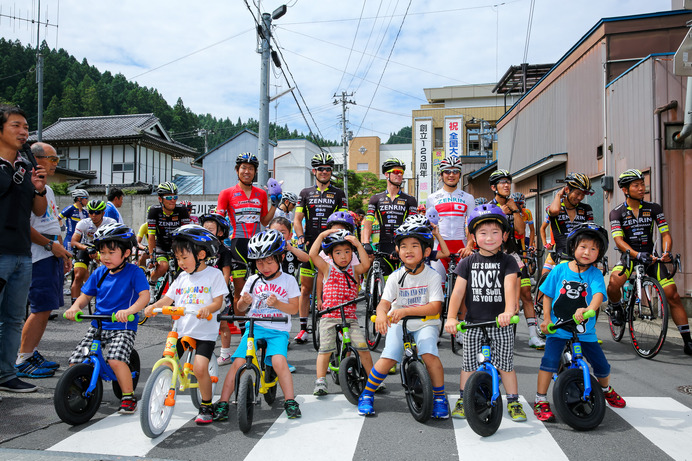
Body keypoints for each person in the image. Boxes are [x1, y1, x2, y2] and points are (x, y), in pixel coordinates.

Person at [533, 223, 626, 421]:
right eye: (583, 246)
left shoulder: (594, 274)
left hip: (585, 331)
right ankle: (540, 399)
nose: (587, 252)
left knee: (602, 366)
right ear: (573, 247)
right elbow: (548, 295)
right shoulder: (559, 270)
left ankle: (606, 388)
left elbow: (599, 294)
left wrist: (590, 309)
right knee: (549, 362)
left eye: (593, 249)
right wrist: (547, 319)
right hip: (558, 328)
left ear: (599, 253)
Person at [444, 204, 527, 422]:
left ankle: (514, 401)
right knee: (468, 364)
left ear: (504, 235)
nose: (489, 238)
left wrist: (509, 311)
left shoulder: (508, 261)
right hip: (472, 323)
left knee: (505, 364)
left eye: (495, 232)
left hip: (501, 323)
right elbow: (458, 292)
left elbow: (510, 288)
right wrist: (451, 317)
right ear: (473, 236)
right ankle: (463, 398)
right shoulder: (467, 262)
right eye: (482, 233)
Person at [357, 221, 448, 418]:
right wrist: (381, 314)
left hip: (426, 322)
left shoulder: (431, 276)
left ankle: (440, 398)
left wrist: (405, 312)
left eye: (415, 246)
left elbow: (436, 307)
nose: (408, 250)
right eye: (403, 246)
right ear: (397, 250)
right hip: (399, 323)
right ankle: (367, 394)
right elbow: (384, 303)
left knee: (430, 354)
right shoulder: (394, 277)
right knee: (388, 357)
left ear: (426, 251)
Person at [214, 229, 302, 420]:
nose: (264, 266)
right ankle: (222, 402)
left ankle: (289, 400)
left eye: (269, 261)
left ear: (280, 257)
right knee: (238, 363)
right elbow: (240, 307)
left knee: (279, 361)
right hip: (255, 327)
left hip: (278, 330)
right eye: (259, 262)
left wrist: (278, 304)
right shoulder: (253, 280)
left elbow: (294, 309)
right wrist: (244, 301)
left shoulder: (288, 280)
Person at [145, 224, 227, 424]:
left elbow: (220, 301)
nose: (180, 262)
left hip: (204, 333)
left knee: (200, 369)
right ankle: (158, 395)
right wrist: (153, 306)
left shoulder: (213, 275)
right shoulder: (181, 278)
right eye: (177, 258)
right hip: (181, 330)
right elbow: (168, 299)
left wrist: (209, 308)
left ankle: (206, 405)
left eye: (184, 257)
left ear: (200, 254)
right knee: (166, 361)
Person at [64, 223, 149, 413]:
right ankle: (80, 392)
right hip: (98, 325)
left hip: (123, 325)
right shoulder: (99, 273)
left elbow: (145, 297)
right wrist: (75, 307)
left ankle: (128, 396)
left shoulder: (135, 272)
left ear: (126, 253)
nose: (105, 257)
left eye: (111, 252)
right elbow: (85, 296)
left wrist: (129, 311)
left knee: (115, 359)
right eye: (102, 253)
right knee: (75, 361)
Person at [606, 169, 692, 355]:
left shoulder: (654, 208)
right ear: (625, 189)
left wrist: (667, 252)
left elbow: (665, 234)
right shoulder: (617, 213)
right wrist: (636, 254)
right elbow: (619, 241)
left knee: (673, 294)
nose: (641, 188)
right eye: (636, 185)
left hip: (652, 258)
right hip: (630, 256)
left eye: (642, 184)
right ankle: (616, 306)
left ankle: (687, 341)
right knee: (613, 283)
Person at [0, 105, 48, 394]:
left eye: (26, 127)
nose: (23, 131)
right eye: (16, 125)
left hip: (22, 252)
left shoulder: (25, 166)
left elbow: (38, 211)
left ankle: (6, 374)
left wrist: (39, 187)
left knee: (15, 318)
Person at [16, 143, 73, 379]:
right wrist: (51, 246)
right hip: (39, 254)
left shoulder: (46, 190)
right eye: (53, 159)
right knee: (39, 308)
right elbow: (24, 227)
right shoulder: (27, 186)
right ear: (37, 160)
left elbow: (52, 223)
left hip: (53, 253)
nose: (55, 164)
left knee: (47, 307)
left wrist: (62, 252)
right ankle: (23, 358)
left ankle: (31, 352)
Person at [216, 153, 277, 334]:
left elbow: (265, 222)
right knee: (241, 289)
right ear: (237, 170)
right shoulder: (227, 193)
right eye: (243, 168)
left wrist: (274, 205)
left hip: (258, 244)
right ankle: (244, 331)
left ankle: (264, 326)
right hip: (238, 244)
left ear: (255, 172)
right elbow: (219, 219)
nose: (247, 171)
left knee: (263, 287)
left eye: (251, 168)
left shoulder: (261, 194)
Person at [293, 152, 348, 344]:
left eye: (328, 169)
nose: (324, 172)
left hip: (331, 246)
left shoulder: (339, 194)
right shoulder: (305, 193)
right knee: (305, 289)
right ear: (314, 171)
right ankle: (302, 329)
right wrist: (300, 237)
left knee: (332, 288)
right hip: (310, 244)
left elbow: (344, 220)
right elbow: (297, 219)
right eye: (321, 169)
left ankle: (336, 325)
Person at [310, 229, 372, 396]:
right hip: (330, 317)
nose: (343, 256)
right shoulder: (327, 268)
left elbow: (366, 265)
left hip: (350, 318)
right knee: (325, 349)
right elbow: (312, 255)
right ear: (330, 256)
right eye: (338, 252)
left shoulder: (354, 270)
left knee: (362, 347)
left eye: (347, 251)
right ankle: (321, 381)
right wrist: (321, 235)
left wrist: (359, 244)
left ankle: (374, 379)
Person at [488, 169, 544, 349]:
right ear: (493, 187)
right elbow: (488, 233)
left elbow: (520, 231)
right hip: (492, 257)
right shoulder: (489, 207)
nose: (506, 185)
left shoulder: (515, 206)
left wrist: (515, 211)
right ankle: (492, 333)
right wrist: (500, 213)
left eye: (508, 182)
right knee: (495, 297)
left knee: (526, 294)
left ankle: (533, 335)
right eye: (502, 182)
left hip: (513, 256)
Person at [361, 158, 418, 278]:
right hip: (383, 245)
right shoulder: (375, 199)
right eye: (396, 171)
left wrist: (400, 247)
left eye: (401, 172)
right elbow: (368, 222)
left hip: (403, 244)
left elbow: (412, 226)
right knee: (385, 286)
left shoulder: (410, 200)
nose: (399, 175)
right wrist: (366, 242)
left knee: (403, 283)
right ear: (387, 174)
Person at [426, 155, 476, 281]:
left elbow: (471, 224)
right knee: (438, 287)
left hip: (461, 246)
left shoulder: (468, 198)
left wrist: (470, 245)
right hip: (439, 246)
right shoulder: (432, 198)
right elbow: (429, 226)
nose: (451, 175)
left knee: (463, 287)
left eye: (455, 171)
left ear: (460, 175)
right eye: (447, 171)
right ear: (442, 175)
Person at [198, 211, 235, 366]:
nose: (207, 231)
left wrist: (220, 292)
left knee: (223, 323)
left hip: (220, 295)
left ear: (220, 232)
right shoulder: (199, 251)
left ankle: (225, 354)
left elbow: (226, 274)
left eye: (211, 229)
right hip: (202, 294)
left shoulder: (224, 251)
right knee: (202, 321)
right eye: (205, 228)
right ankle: (202, 352)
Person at [147, 182, 191, 297]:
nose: (173, 200)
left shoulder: (182, 210)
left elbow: (186, 233)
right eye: (169, 197)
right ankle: (152, 284)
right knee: (163, 266)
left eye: (175, 197)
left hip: (177, 245)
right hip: (161, 244)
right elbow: (151, 236)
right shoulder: (154, 211)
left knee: (183, 270)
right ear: (160, 199)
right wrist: (152, 257)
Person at [544, 173, 594, 272]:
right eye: (577, 193)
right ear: (567, 190)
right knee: (544, 281)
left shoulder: (586, 208)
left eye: (583, 194)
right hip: (562, 253)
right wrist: (558, 194)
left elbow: (591, 232)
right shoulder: (555, 206)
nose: (580, 198)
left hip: (582, 254)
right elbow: (553, 211)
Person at [70, 200, 117, 304]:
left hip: (103, 248)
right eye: (91, 212)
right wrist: (86, 249)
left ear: (103, 213)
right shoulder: (83, 223)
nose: (93, 215)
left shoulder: (111, 222)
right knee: (78, 276)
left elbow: (113, 241)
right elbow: (74, 242)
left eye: (97, 212)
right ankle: (75, 304)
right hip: (86, 248)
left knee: (110, 271)